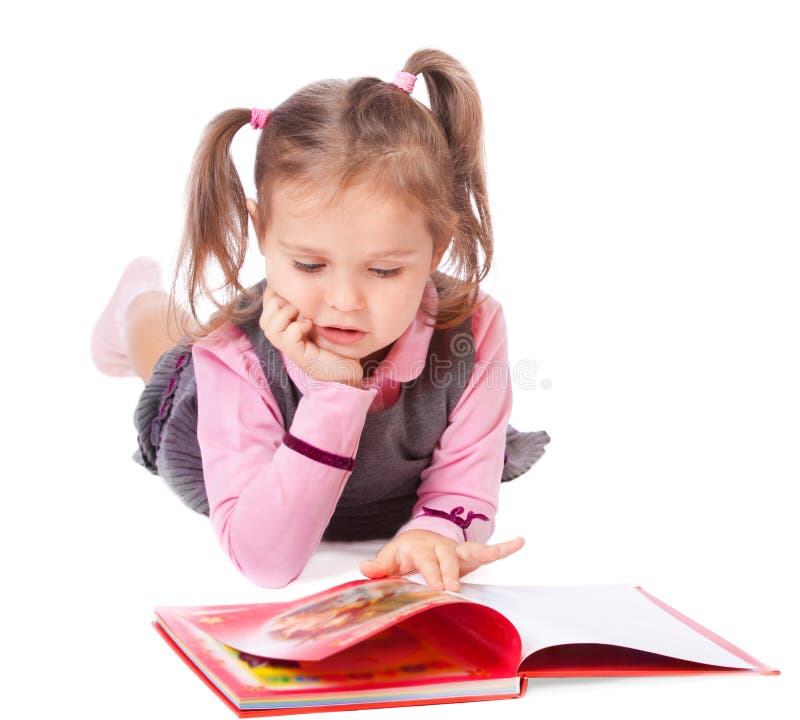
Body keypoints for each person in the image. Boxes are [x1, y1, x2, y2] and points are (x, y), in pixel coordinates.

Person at [90, 48, 551, 592]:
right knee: (170, 345)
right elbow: (265, 561)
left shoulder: (472, 330)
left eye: (382, 270)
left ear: (435, 250)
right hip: (250, 470)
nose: (344, 300)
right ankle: (136, 302)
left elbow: (461, 490)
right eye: (309, 265)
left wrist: (433, 533)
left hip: (390, 491)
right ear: (261, 231)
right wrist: (334, 391)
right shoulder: (233, 356)